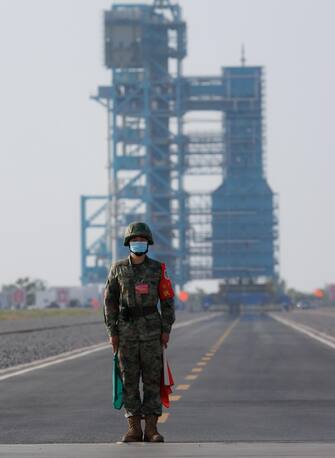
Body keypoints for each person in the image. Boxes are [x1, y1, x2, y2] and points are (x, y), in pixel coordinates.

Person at [104, 221, 175, 443]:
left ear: (148, 243)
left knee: (153, 379)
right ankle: (134, 428)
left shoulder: (157, 269)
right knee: (129, 380)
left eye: (142, 240)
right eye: (134, 240)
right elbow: (110, 302)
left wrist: (166, 328)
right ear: (128, 243)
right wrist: (112, 331)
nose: (138, 243)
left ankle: (152, 429)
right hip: (126, 333)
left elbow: (167, 301)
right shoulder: (118, 269)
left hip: (152, 332)